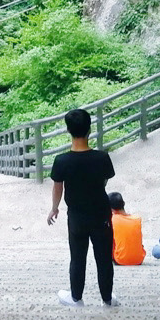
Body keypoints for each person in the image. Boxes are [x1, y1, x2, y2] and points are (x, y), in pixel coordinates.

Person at [47, 108, 117, 307]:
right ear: (89, 130)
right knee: (104, 257)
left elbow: (57, 187)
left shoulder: (61, 161)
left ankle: (76, 297)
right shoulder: (102, 158)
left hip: (76, 215)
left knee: (77, 257)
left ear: (68, 131)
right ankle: (107, 299)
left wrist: (54, 208)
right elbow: (104, 181)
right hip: (101, 214)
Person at [108, 192, 146, 266]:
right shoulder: (137, 218)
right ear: (124, 204)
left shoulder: (112, 219)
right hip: (139, 260)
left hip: (120, 259)